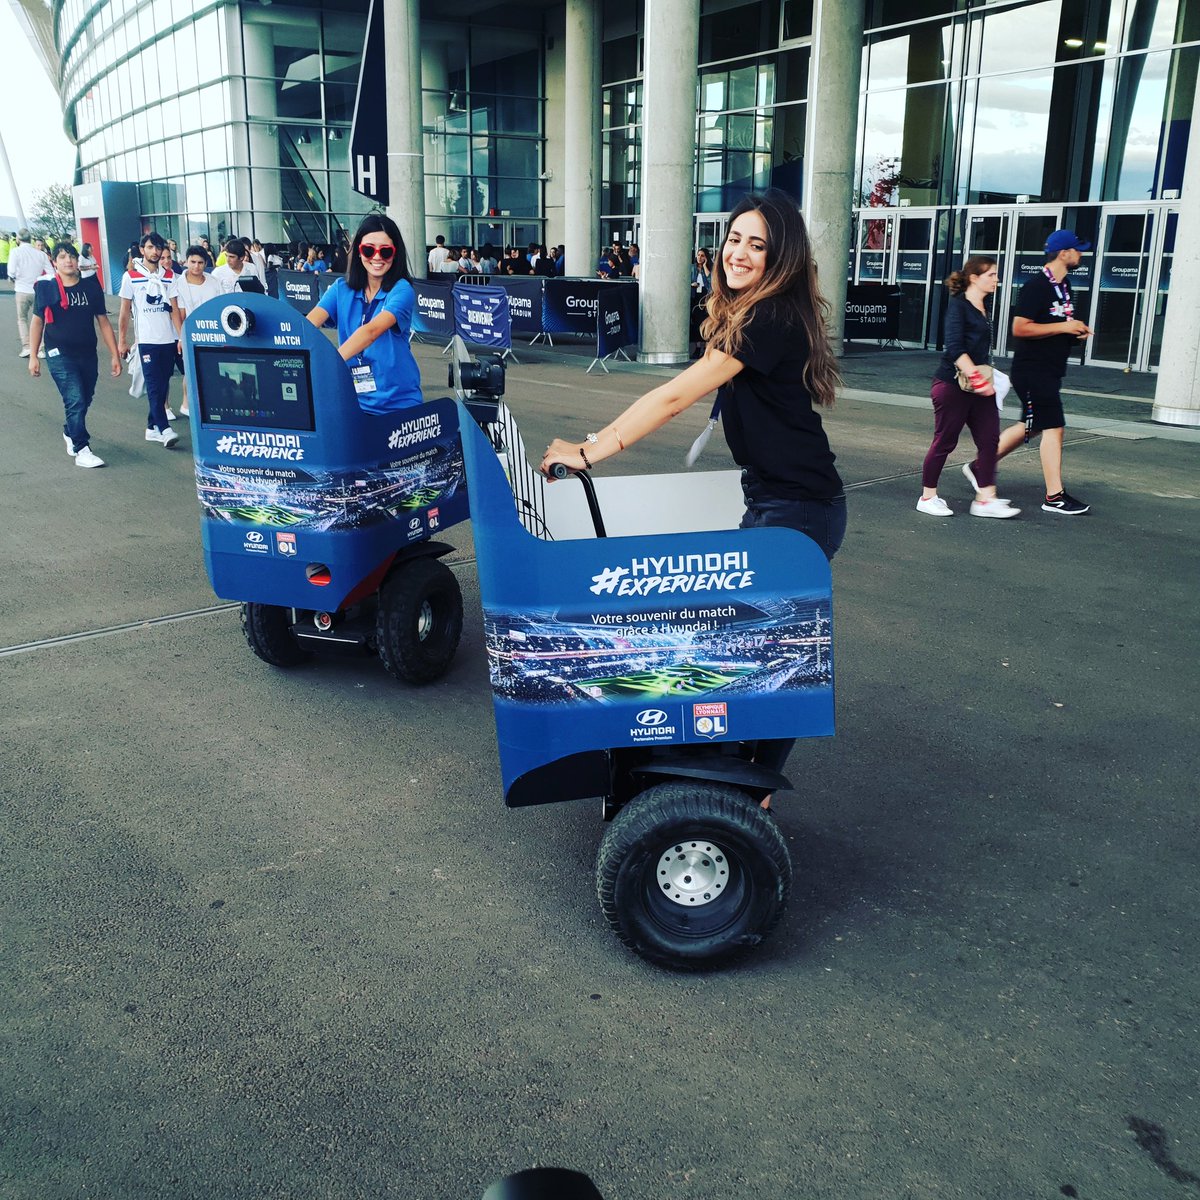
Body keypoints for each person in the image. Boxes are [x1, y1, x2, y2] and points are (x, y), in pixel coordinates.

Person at [542, 190, 845, 808]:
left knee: (768, 644)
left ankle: (753, 792)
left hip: (799, 508)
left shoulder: (771, 317)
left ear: (780, 257)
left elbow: (674, 397)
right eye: (735, 238)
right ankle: (742, 778)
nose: (739, 252)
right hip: (775, 501)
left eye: (757, 245)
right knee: (754, 641)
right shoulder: (750, 313)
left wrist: (591, 448)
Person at [994, 228, 1093, 515]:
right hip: (1032, 370)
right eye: (1078, 249)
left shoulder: (1065, 286)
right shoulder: (1036, 286)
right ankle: (1054, 497)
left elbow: (1053, 326)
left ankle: (980, 466)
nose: (1082, 254)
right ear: (1064, 253)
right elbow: (1020, 328)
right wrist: (1064, 326)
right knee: (1054, 426)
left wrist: (1075, 333)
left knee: (1034, 423)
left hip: (1050, 369)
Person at [917, 257, 1019, 519]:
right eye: (992, 275)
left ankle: (985, 499)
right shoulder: (959, 306)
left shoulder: (985, 306)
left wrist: (986, 381)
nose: (997, 279)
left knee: (989, 440)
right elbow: (955, 348)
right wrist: (978, 379)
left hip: (979, 385)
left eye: (997, 275)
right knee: (945, 441)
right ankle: (928, 497)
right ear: (974, 277)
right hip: (952, 384)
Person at [305, 213, 422, 413]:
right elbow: (309, 324)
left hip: (398, 404)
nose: (377, 257)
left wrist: (329, 365)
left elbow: (371, 331)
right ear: (359, 252)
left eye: (385, 252)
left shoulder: (401, 290)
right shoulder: (341, 288)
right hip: (354, 401)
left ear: (395, 254)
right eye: (369, 250)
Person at [27, 242, 122, 469]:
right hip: (58, 353)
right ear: (54, 262)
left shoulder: (90, 287)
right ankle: (82, 448)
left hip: (87, 353)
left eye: (71, 256)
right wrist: (33, 355)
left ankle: (70, 431)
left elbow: (103, 322)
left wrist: (115, 354)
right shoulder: (46, 288)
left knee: (85, 397)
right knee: (75, 398)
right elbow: (37, 322)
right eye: (62, 257)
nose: (68, 261)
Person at [118, 231, 184, 447]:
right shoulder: (131, 276)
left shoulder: (169, 275)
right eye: (150, 248)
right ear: (141, 249)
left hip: (168, 339)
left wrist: (180, 336)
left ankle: (151, 428)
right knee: (155, 385)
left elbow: (174, 309)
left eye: (158, 248)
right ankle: (164, 429)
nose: (154, 252)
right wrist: (122, 340)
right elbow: (124, 311)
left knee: (163, 384)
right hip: (146, 340)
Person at [174, 245, 223, 417]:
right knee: (190, 369)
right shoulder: (179, 284)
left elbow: (220, 306)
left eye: (200, 262)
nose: (196, 266)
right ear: (186, 262)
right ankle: (186, 404)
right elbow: (180, 314)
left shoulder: (214, 281)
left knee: (211, 369)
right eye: (193, 262)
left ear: (206, 263)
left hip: (213, 332)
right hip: (190, 332)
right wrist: (181, 337)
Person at [9, 229, 50, 357]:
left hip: (22, 290)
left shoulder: (15, 252)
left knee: (22, 319)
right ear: (31, 239)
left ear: (18, 239)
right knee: (41, 319)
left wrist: (14, 277)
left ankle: (27, 347)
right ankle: (41, 348)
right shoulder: (40, 254)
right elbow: (51, 272)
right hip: (38, 290)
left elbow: (11, 271)